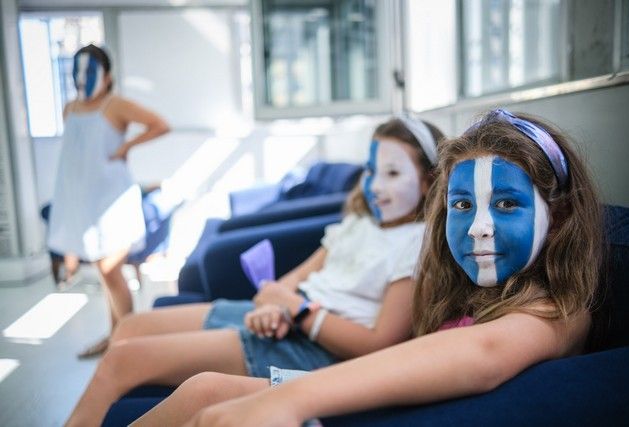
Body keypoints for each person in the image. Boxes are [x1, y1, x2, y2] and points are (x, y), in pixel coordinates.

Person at [132, 108, 603, 427]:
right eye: (462, 205)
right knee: (204, 392)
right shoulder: (463, 284)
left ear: (557, 215)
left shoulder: (558, 308)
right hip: (383, 402)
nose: (479, 227)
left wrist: (291, 397)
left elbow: (483, 352)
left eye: (505, 203)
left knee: (214, 401)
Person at [63, 115, 445, 427]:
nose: (376, 185)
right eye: (371, 170)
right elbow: (298, 276)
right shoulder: (362, 221)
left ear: (429, 181)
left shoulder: (415, 245)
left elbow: (379, 345)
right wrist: (275, 304)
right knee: (130, 327)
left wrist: (296, 310)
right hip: (284, 319)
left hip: (313, 348)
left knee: (121, 360)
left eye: (393, 174)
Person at [47, 44, 170, 358]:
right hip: (85, 204)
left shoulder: (116, 106)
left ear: (107, 75)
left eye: (90, 72)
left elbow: (161, 124)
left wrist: (127, 145)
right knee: (106, 275)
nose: (82, 78)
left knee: (111, 270)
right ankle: (117, 337)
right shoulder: (71, 108)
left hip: (112, 202)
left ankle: (126, 343)